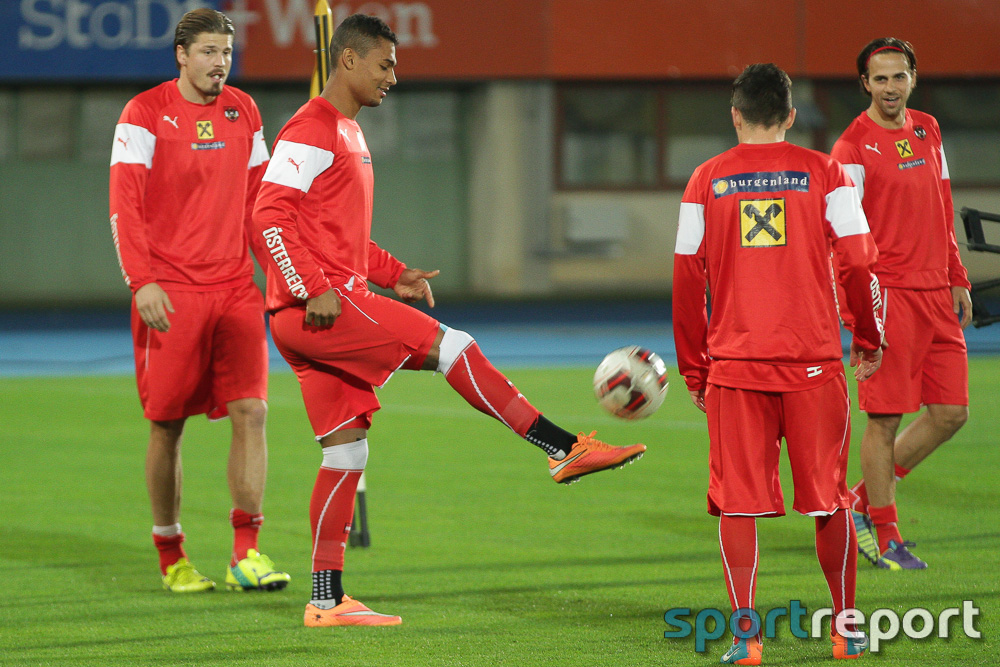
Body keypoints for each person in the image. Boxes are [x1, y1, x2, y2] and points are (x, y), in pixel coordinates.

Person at [251, 13, 646, 628]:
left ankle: (325, 600)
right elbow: (269, 216)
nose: (393, 77)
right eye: (385, 65)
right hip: (318, 310)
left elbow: (336, 235)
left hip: (316, 309)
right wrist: (310, 288)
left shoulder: (347, 132)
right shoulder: (314, 126)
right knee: (454, 347)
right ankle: (562, 448)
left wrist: (394, 273)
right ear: (348, 59)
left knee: (345, 456)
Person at [673, 64, 885, 664]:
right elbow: (860, 263)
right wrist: (868, 338)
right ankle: (846, 629)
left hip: (735, 367)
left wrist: (695, 368)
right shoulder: (827, 171)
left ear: (735, 115)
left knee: (738, 500)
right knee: (828, 498)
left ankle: (745, 638)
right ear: (791, 116)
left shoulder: (703, 181)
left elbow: (687, 281)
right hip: (814, 363)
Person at [109, 8, 289, 593]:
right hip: (172, 292)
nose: (220, 64)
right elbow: (124, 206)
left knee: (253, 411)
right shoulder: (143, 113)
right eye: (209, 52)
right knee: (167, 426)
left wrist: (280, 277)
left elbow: (262, 204)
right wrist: (143, 281)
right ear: (182, 55)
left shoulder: (245, 110)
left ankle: (246, 551)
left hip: (236, 287)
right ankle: (172, 555)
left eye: (227, 54)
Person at [831, 38, 972, 571]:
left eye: (899, 77)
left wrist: (957, 276)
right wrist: (858, 316)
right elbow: (839, 238)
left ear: (913, 77)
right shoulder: (851, 148)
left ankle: (862, 502)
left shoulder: (927, 128)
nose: (890, 87)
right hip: (888, 297)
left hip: (936, 292)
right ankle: (886, 534)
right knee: (885, 420)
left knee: (951, 413)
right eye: (880, 79)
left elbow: (942, 202)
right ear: (865, 84)